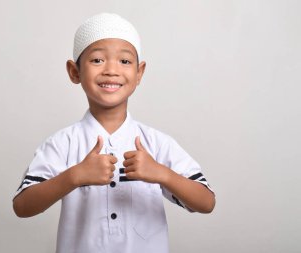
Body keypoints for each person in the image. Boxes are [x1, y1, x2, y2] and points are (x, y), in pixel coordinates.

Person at [13, 13, 215, 253]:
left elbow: (206, 202)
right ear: (74, 71)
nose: (111, 70)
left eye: (125, 61)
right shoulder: (63, 144)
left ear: (139, 73)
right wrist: (74, 176)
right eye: (97, 60)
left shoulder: (156, 143)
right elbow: (22, 206)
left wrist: (162, 174)